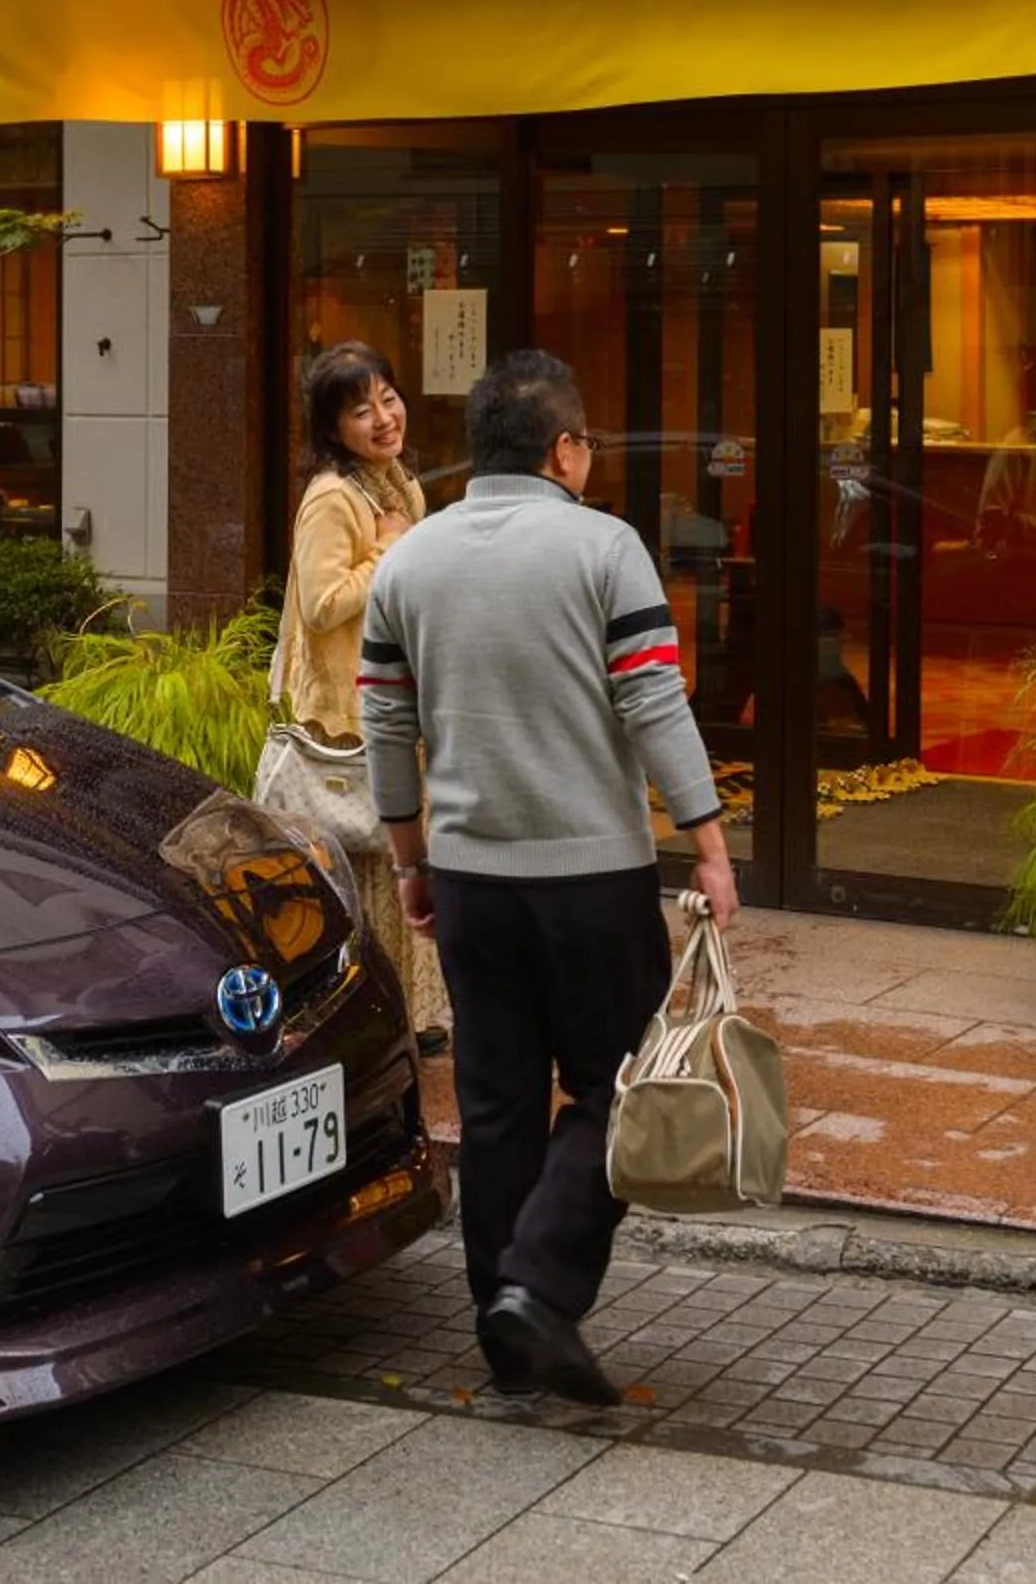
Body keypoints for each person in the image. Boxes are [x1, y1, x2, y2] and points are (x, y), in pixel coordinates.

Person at [360, 350, 740, 1405]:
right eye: (587, 444)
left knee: (493, 1105)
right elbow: (655, 702)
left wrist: (408, 858)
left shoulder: (411, 561)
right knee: (625, 1085)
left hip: (470, 877)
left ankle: (503, 1329)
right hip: (591, 874)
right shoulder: (604, 547)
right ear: (565, 448)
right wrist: (708, 842)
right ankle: (538, 1286)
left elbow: (384, 723)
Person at [271, 342, 450, 1049]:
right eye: (360, 409)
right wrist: (389, 551)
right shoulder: (333, 499)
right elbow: (322, 605)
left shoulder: (396, 483)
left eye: (388, 398)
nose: (383, 417)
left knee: (404, 853)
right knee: (372, 863)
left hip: (397, 693)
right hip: (346, 711)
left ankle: (415, 1010)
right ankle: (374, 1009)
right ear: (332, 427)